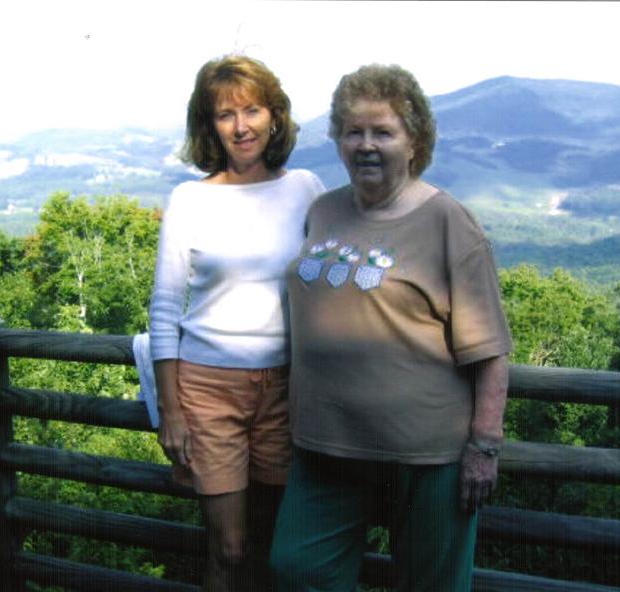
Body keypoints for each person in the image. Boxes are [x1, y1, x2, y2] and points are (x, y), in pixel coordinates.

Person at [270, 64, 512, 592]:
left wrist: (484, 447)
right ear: (338, 140)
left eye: (383, 132)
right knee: (297, 568)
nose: (366, 145)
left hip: (427, 455)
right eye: (353, 131)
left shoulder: (449, 222)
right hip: (324, 447)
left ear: (414, 140)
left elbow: (490, 349)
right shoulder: (323, 211)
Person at [148, 55, 325, 591]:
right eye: (226, 115)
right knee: (228, 548)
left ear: (275, 117)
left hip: (286, 390)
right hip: (209, 390)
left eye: (252, 110)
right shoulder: (190, 199)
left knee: (275, 544)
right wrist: (171, 412)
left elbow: (330, 278)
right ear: (210, 125)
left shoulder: (306, 189)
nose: (241, 126)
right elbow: (164, 307)